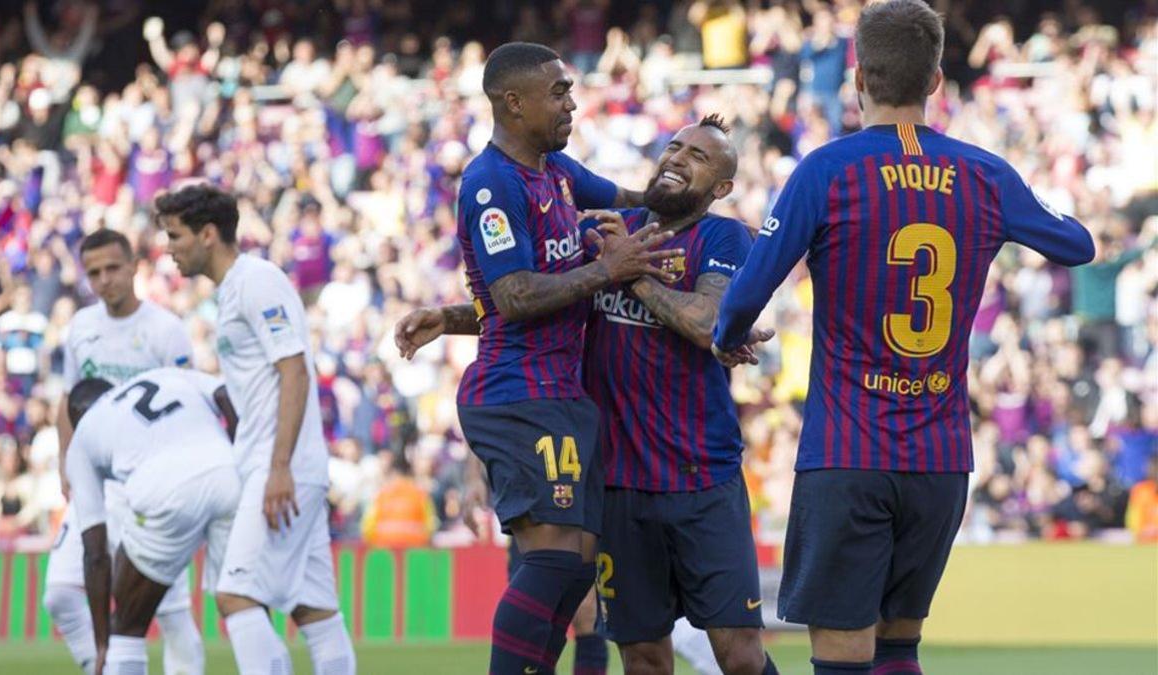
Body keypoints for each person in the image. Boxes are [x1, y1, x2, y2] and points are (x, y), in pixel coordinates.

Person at [711, 2, 1096, 674]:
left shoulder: (826, 171)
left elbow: (746, 291)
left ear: (858, 78)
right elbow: (1077, 244)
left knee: (841, 655)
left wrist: (725, 338)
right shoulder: (986, 175)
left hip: (849, 453)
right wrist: (1014, 209)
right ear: (937, 80)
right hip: (941, 458)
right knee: (899, 646)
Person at [397, 117, 776, 674]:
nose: (677, 157)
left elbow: (706, 321)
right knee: (644, 656)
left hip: (702, 477)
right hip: (617, 484)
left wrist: (629, 274)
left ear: (720, 188)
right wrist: (450, 318)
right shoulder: (606, 228)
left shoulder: (721, 237)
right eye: (674, 146)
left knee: (739, 656)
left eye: (698, 156)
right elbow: (547, 298)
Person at [398, 41, 678, 673]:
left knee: (578, 568)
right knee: (552, 561)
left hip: (560, 396)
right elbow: (517, 295)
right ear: (513, 102)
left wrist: (694, 185)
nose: (571, 102)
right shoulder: (492, 184)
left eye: (570, 89)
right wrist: (607, 268)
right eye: (558, 92)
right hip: (518, 395)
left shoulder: (558, 173)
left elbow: (639, 201)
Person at [157, 184, 356, 675]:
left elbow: (294, 369)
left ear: (207, 234)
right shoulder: (232, 292)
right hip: (279, 463)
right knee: (315, 610)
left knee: (234, 594)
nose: (168, 248)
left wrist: (279, 467)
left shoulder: (256, 281)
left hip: (281, 466)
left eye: (175, 236)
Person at [45, 228, 202, 675]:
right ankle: (107, 668)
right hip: (96, 477)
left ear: (135, 266)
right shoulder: (81, 327)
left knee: (169, 613)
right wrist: (65, 459)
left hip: (152, 484)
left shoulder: (165, 330)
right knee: (60, 593)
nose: (104, 279)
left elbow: (189, 403)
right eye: (94, 272)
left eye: (113, 268)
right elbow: (68, 399)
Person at [64, 368, 240, 675]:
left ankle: (116, 650)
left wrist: (102, 642)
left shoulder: (83, 437)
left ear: (76, 418)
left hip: (164, 490)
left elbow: (95, 555)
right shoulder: (166, 374)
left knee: (127, 627)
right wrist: (243, 456)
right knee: (243, 606)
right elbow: (226, 393)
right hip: (230, 473)